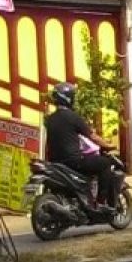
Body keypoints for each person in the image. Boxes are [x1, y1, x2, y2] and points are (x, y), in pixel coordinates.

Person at [44, 82, 117, 210]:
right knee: (105, 163)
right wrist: (108, 145)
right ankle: (100, 202)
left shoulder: (50, 119)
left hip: (55, 163)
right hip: (74, 162)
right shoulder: (73, 117)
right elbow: (92, 137)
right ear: (69, 98)